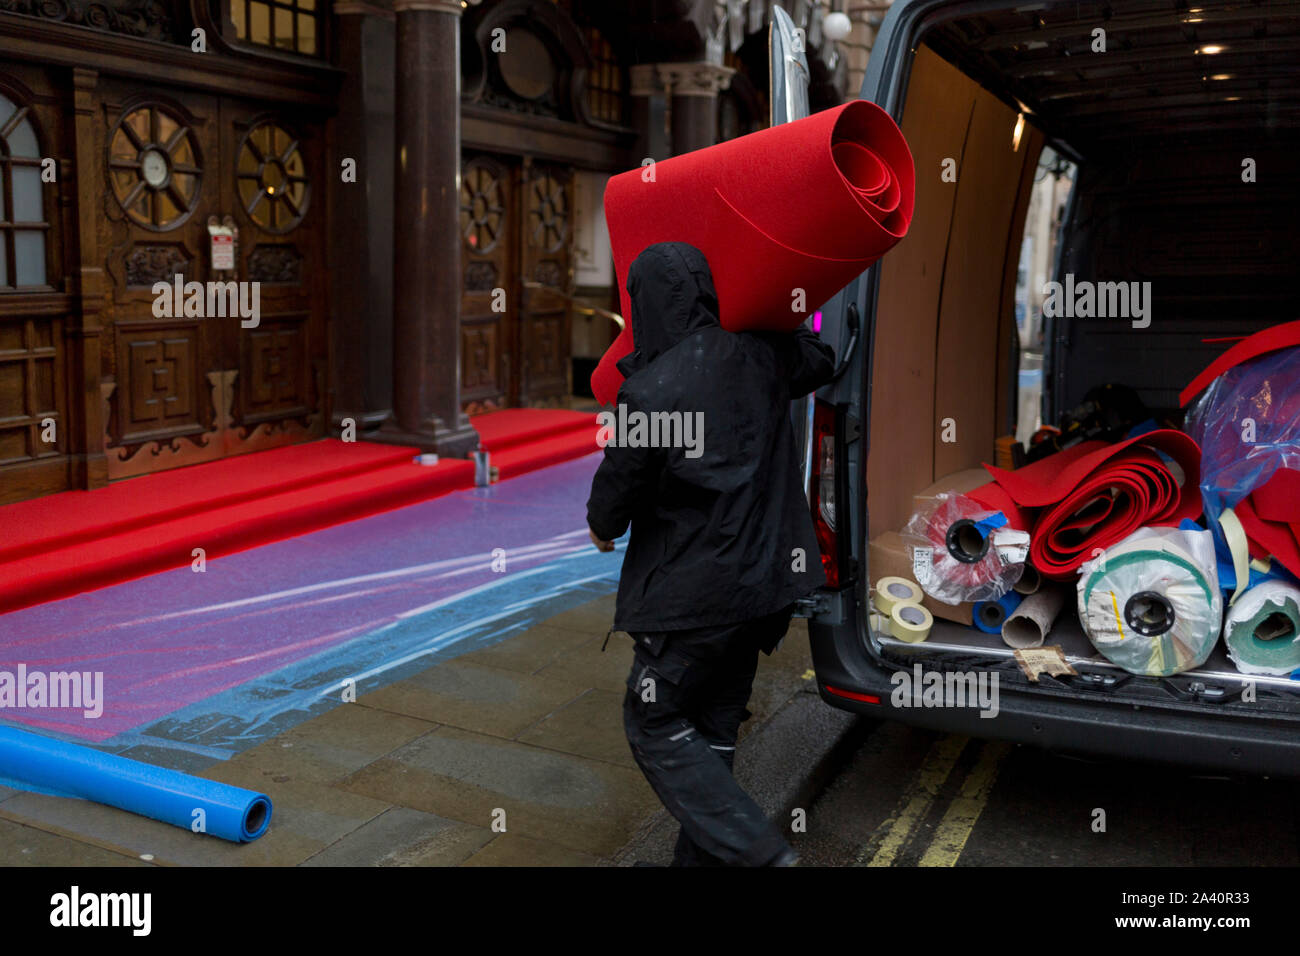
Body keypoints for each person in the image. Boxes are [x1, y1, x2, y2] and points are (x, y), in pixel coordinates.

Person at [586, 241, 836, 867]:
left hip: (695, 600)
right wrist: (774, 311)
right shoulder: (763, 354)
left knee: (655, 722)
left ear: (642, 305)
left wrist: (601, 526)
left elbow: (615, 494)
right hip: (766, 592)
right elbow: (821, 356)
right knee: (714, 732)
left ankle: (765, 857)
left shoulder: (650, 391)